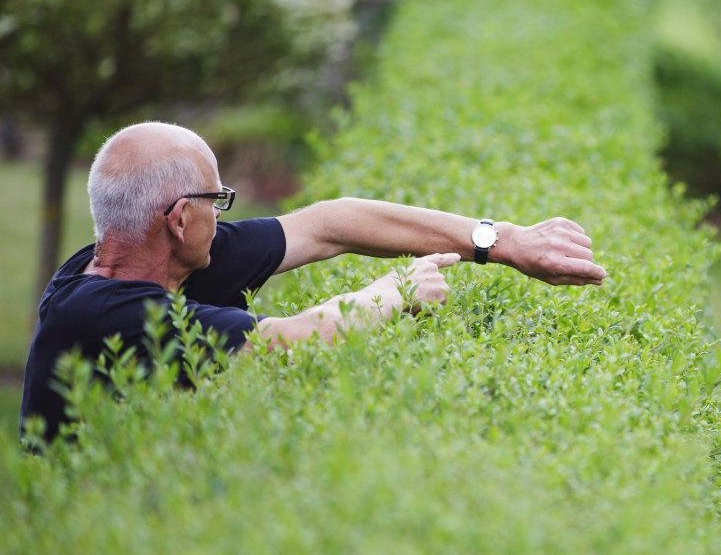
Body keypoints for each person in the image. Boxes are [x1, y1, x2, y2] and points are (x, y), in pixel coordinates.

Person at [20, 121, 607, 445]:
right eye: (217, 200)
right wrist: (395, 292)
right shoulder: (105, 312)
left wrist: (501, 241)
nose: (222, 214)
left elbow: (330, 224)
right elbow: (283, 343)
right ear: (178, 219)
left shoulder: (152, 257)